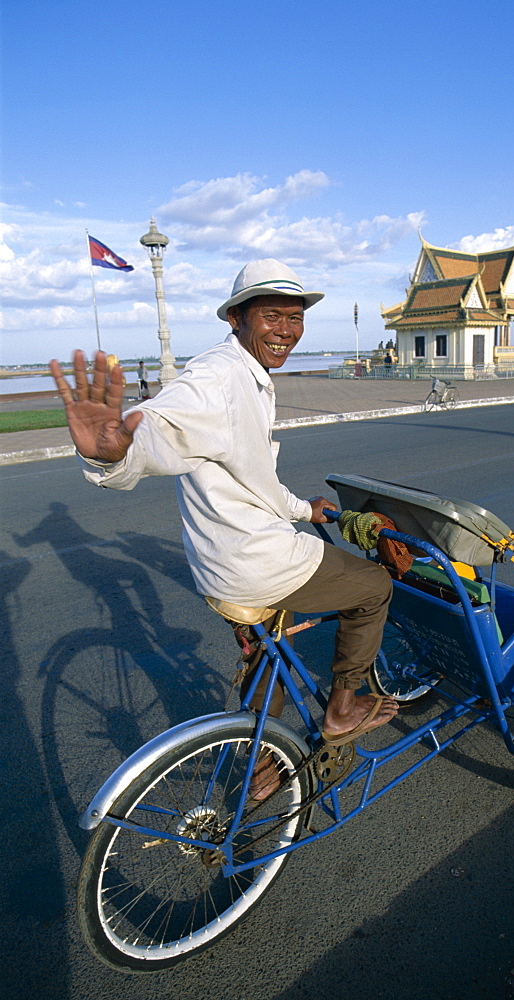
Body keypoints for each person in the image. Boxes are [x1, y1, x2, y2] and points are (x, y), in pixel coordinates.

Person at [50, 258, 398, 796]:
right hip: (255, 560)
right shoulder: (218, 375)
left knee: (268, 649)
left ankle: (263, 767)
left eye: (295, 318)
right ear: (236, 318)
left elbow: (250, 475)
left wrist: (307, 509)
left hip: (218, 569)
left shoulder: (251, 375)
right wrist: (115, 454)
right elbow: (164, 424)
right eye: (272, 316)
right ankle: (342, 706)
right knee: (374, 587)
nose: (286, 330)